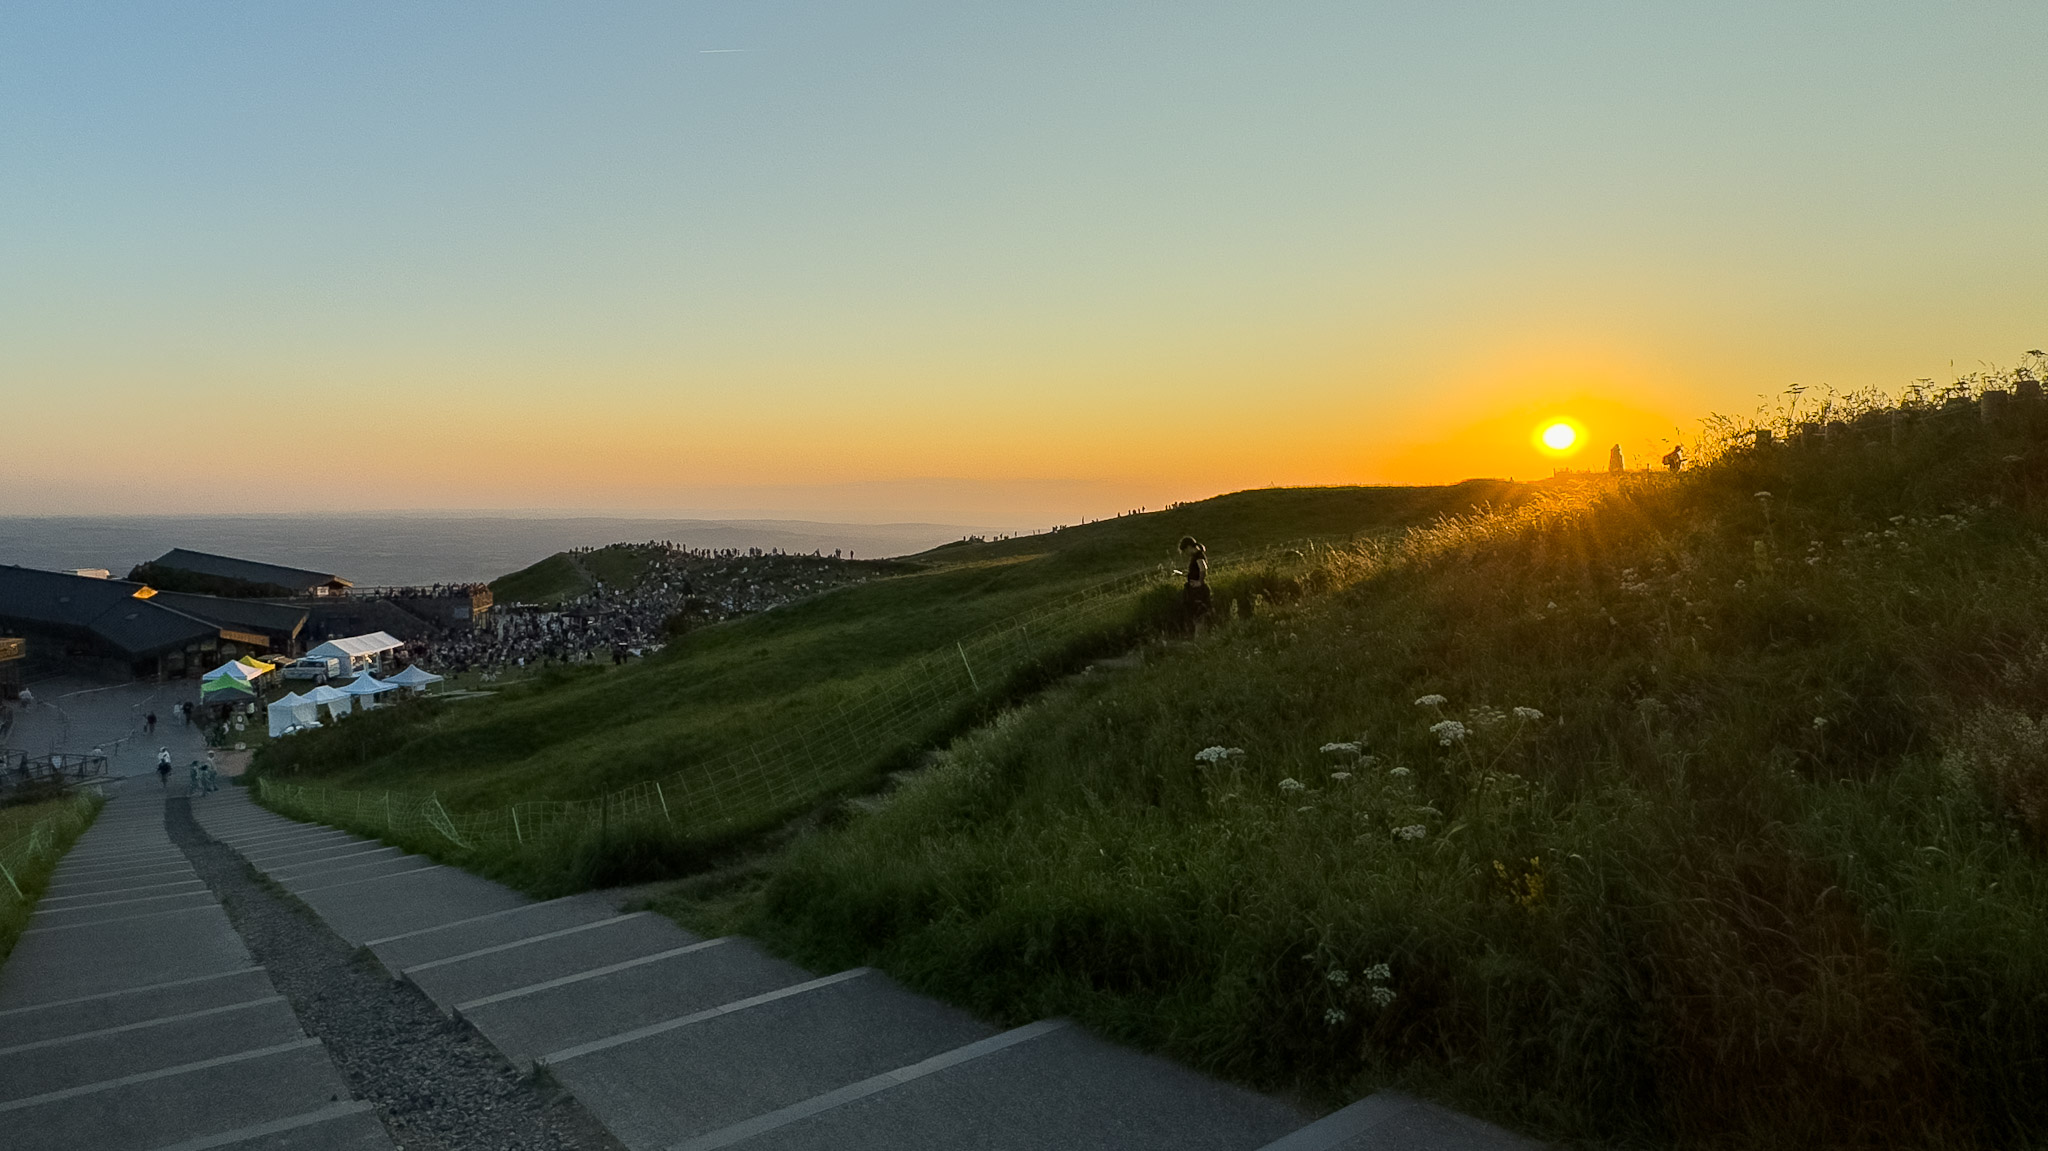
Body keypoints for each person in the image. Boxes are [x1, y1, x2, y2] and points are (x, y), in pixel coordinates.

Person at [1179, 536, 1212, 631]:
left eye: (1185, 551)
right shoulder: (1196, 556)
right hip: (1195, 588)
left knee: (1199, 612)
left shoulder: (1198, 556)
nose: (1186, 554)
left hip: (1198, 590)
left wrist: (1199, 582)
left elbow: (1203, 568)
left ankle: (1200, 635)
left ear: (1189, 547)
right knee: (1198, 613)